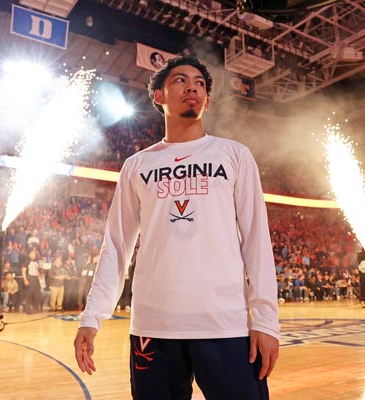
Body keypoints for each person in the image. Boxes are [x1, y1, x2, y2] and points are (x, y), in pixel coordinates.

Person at [74, 55, 280, 400]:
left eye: (200, 83)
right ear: (159, 96)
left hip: (224, 324)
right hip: (154, 326)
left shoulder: (234, 155)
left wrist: (265, 321)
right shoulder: (136, 165)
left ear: (208, 101)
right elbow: (117, 245)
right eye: (181, 80)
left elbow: (257, 240)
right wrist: (91, 316)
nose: (193, 88)